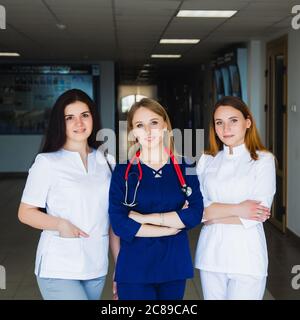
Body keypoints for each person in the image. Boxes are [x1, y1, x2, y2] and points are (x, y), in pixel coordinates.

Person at [18, 89, 117, 300]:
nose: (78, 123)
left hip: (96, 265)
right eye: (69, 117)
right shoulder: (47, 162)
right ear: (60, 123)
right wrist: (60, 224)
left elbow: (113, 220)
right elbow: (25, 212)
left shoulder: (107, 161)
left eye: (85, 115)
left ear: (93, 118)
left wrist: (121, 266)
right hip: (59, 265)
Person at [108, 98, 204, 300]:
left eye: (154, 123)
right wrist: (169, 227)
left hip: (174, 266)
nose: (148, 131)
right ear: (133, 132)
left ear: (165, 126)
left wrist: (142, 218)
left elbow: (194, 214)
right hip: (134, 267)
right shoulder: (123, 171)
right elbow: (119, 222)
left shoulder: (186, 167)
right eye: (140, 125)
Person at [195, 96, 276, 300]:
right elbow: (196, 210)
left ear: (247, 122)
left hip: (247, 258)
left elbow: (258, 213)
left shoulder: (263, 160)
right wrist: (239, 209)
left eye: (233, 120)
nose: (226, 128)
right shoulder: (207, 160)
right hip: (210, 256)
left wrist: (213, 214)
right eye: (219, 123)